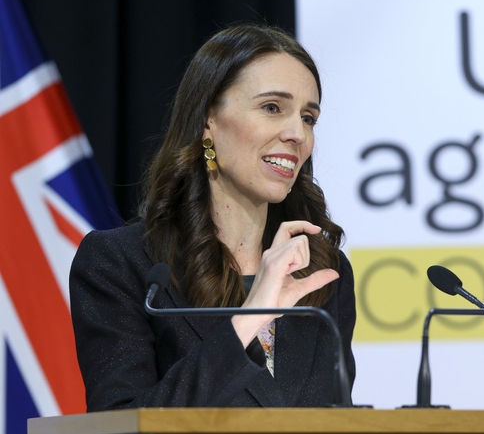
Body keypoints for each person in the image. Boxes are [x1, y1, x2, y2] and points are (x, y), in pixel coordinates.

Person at [69, 23, 355, 409]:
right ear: (208, 121)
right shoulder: (122, 264)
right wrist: (250, 318)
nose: (297, 134)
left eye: (308, 118)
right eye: (272, 108)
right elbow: (123, 428)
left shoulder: (322, 269)